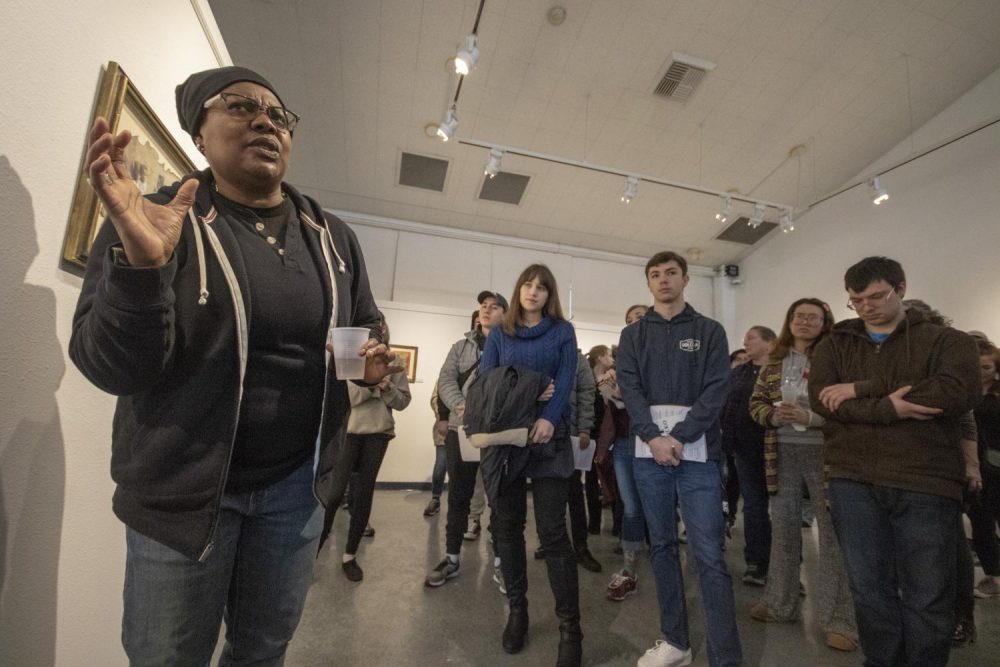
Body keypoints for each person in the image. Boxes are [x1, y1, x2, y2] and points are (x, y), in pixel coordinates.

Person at [68, 66, 398, 664]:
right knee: (168, 657)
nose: (266, 121)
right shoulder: (157, 217)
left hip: (297, 490)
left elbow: (366, 325)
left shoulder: (332, 236)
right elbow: (111, 368)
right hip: (185, 497)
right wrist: (141, 270)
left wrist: (369, 365)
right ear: (199, 133)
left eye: (278, 114)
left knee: (263, 650)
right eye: (241, 107)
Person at [809, 256, 980, 666]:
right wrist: (889, 407)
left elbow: (956, 392)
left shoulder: (948, 341)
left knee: (928, 593)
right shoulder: (836, 343)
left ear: (900, 289)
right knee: (869, 589)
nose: (866, 307)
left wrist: (860, 389)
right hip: (853, 478)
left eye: (875, 296)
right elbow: (823, 401)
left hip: (926, 480)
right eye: (856, 300)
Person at [617, 251, 741, 667]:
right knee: (663, 548)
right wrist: (654, 438)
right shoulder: (633, 336)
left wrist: (679, 436)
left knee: (708, 553)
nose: (663, 280)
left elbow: (716, 390)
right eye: (655, 274)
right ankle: (676, 642)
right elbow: (631, 392)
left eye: (671, 273)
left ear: (685, 279)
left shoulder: (709, 331)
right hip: (647, 455)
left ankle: (726, 657)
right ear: (648, 283)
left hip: (698, 456)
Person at [479, 264, 582, 666]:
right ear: (518, 288)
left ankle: (571, 629)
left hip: (548, 438)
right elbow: (489, 382)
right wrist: (533, 387)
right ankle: (518, 612)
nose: (534, 292)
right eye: (528, 284)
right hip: (507, 442)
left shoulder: (562, 331)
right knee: (507, 527)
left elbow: (566, 379)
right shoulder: (501, 331)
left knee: (554, 534)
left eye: (542, 287)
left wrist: (548, 416)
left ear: (549, 293)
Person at [747, 299, 857, 652]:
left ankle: (838, 619)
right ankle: (780, 604)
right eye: (799, 316)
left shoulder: (837, 359)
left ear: (826, 322)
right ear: (789, 321)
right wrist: (772, 416)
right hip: (781, 452)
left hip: (826, 453)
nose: (805, 322)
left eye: (814, 317)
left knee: (832, 538)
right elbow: (756, 402)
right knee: (783, 529)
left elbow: (849, 409)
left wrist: (812, 419)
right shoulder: (775, 360)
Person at [424, 290, 507, 588]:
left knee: (499, 499)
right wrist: (461, 405)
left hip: (498, 432)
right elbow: (445, 378)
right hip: (462, 429)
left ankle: (501, 563)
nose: (486, 310)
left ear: (505, 314)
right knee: (458, 496)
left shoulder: (512, 346)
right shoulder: (461, 347)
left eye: (494, 307)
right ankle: (452, 558)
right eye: (483, 306)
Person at [320, 315, 411, 581]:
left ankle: (350, 555)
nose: (380, 329)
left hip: (378, 434)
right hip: (349, 432)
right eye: (375, 326)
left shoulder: (394, 362)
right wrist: (374, 385)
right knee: (334, 494)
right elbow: (347, 398)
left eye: (383, 325)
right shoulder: (350, 357)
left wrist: (385, 385)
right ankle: (315, 548)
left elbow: (403, 402)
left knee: (363, 495)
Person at [721, 326, 776, 586]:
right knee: (754, 507)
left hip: (777, 446)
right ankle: (757, 563)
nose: (745, 342)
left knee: (784, 510)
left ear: (770, 342)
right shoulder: (738, 373)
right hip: (745, 448)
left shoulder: (780, 370)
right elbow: (727, 407)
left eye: (751, 338)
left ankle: (788, 569)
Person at [969, 339, 1000, 599]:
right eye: (976, 366)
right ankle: (994, 575)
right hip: (973, 466)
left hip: (996, 464)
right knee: (981, 522)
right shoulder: (961, 391)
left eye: (987, 367)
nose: (982, 371)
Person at [425, 380, 449, 516]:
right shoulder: (444, 378)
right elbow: (435, 398)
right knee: (440, 466)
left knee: (461, 470)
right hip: (444, 429)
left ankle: (458, 501)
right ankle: (435, 498)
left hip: (464, 427)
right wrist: (443, 415)